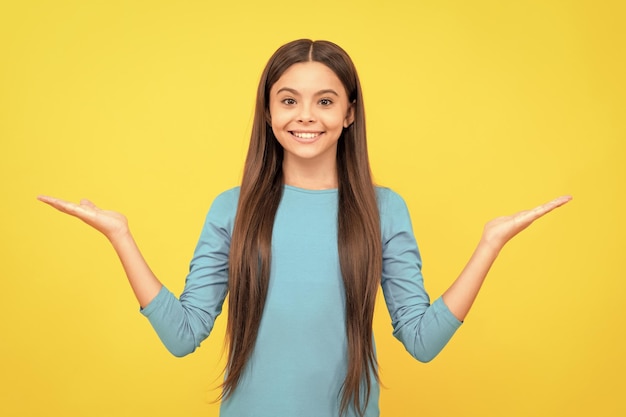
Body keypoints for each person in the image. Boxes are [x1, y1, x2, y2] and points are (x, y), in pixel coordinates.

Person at [38, 39, 571, 417]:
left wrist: (489, 244)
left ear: (350, 113)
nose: (305, 115)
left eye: (325, 100)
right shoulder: (232, 209)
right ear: (268, 113)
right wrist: (120, 236)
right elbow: (183, 335)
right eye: (288, 100)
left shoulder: (385, 210)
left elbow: (422, 341)